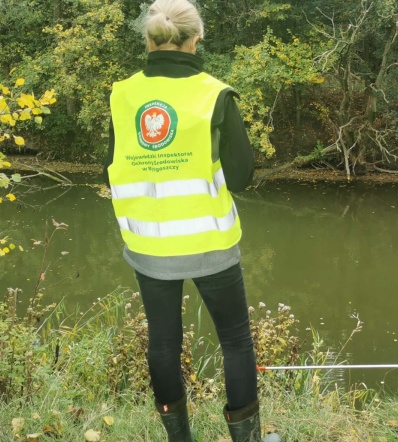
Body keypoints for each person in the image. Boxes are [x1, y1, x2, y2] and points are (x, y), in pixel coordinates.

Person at [105, 1, 278, 441]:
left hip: (149, 246)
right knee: (235, 341)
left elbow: (109, 162)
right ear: (196, 39)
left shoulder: (122, 94)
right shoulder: (214, 93)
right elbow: (240, 177)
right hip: (210, 243)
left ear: (149, 39)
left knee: (163, 343)